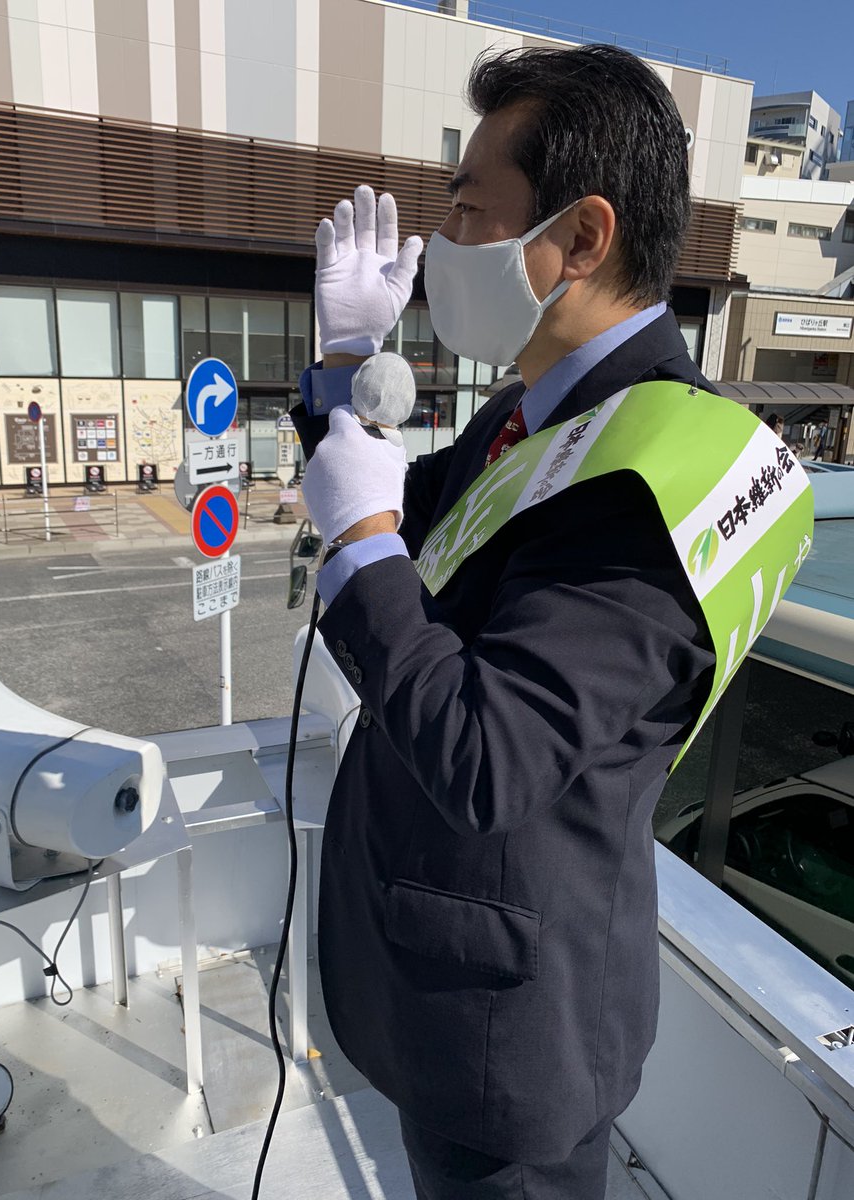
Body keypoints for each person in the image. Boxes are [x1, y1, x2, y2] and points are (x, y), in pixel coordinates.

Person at [293, 43, 811, 1200]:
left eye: (469, 211)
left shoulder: (657, 473)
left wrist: (364, 544)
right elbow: (387, 508)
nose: (443, 244)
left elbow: (489, 757)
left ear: (581, 237)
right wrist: (341, 365)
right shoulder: (531, 418)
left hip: (505, 1034)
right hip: (446, 987)